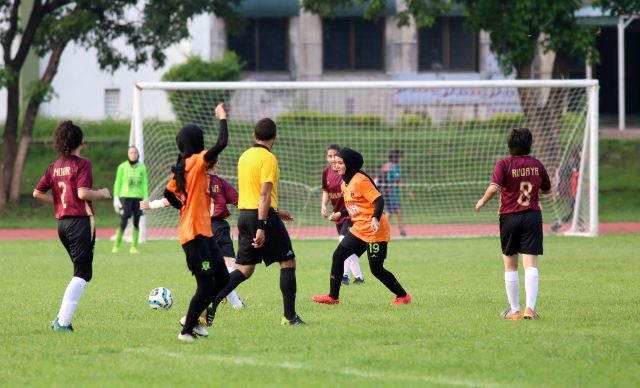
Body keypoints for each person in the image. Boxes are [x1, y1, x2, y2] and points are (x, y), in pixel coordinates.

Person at [205, 117, 305, 326]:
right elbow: (263, 194)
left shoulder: (244, 156)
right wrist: (262, 225)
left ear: (254, 135)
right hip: (261, 216)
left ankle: (211, 301)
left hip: (244, 215)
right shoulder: (268, 159)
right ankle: (290, 317)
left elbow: (251, 193)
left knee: (244, 269)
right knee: (288, 262)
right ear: (274, 137)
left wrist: (277, 212)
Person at [33, 120, 112, 332]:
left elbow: (37, 193)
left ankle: (61, 320)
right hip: (80, 223)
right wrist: (103, 194)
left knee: (81, 272)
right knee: (82, 274)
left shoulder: (54, 166)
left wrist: (58, 202)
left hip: (62, 225)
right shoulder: (82, 164)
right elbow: (83, 193)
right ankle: (62, 322)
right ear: (80, 141)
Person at [162, 102, 231, 342]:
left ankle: (192, 319)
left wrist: (182, 205)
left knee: (222, 278)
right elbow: (222, 143)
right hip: (193, 236)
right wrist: (222, 117)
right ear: (197, 142)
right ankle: (186, 330)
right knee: (206, 284)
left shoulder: (183, 166)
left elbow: (167, 193)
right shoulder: (197, 161)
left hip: (204, 233)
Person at [312, 147, 411, 306]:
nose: (335, 166)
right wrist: (341, 214)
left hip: (374, 231)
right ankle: (333, 297)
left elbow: (379, 200)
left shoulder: (360, 180)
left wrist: (375, 219)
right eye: (334, 163)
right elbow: (357, 207)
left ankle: (403, 296)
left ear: (349, 164)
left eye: (339, 163)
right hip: (359, 229)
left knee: (376, 270)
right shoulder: (346, 184)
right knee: (338, 256)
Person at [475, 127, 551, 320]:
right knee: (531, 264)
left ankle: (515, 311)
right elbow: (546, 189)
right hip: (532, 216)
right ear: (529, 144)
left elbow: (494, 188)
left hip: (509, 217)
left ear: (509, 145)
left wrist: (482, 201)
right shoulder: (537, 164)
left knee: (510, 265)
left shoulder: (504, 164)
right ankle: (530, 309)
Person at [321, 144, 364, 286]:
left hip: (350, 215)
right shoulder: (326, 172)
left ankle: (344, 276)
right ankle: (359, 277)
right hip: (338, 215)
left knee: (343, 242)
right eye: (329, 156)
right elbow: (326, 190)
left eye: (335, 156)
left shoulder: (346, 172)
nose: (333, 159)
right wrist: (323, 205)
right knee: (347, 246)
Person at [112, 146, 148, 254]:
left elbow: (144, 185)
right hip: (126, 198)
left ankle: (134, 247)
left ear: (138, 154)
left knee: (136, 221)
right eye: (131, 152)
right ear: (128, 154)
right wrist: (116, 198)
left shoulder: (142, 168)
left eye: (135, 152)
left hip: (138, 198)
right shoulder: (122, 167)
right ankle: (116, 245)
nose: (133, 154)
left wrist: (145, 198)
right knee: (124, 221)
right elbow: (117, 183)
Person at [378, 149, 413, 237]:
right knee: (392, 212)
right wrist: (408, 191)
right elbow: (399, 181)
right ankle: (381, 230)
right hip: (391, 194)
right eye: (399, 157)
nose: (400, 159)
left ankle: (401, 231)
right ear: (396, 158)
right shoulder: (395, 168)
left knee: (396, 211)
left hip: (384, 192)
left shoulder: (385, 166)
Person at [551, 146, 584, 233]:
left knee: (573, 212)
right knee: (576, 210)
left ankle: (557, 225)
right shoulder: (571, 164)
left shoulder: (580, 163)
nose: (582, 153)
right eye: (581, 151)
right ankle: (582, 228)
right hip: (572, 192)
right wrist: (560, 186)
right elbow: (562, 174)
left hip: (577, 191)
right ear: (576, 153)